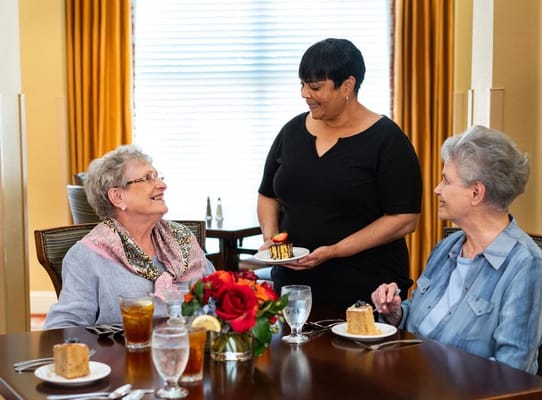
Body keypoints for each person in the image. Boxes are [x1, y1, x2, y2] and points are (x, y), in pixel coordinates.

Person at [257, 38, 422, 309]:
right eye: (302, 84)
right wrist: (271, 241)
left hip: (366, 289)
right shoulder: (291, 132)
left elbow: (404, 219)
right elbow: (267, 196)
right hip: (294, 288)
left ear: (347, 85)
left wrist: (334, 251)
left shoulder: (388, 140)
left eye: (315, 87)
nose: (304, 94)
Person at [371, 125, 542, 374]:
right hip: (409, 379)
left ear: (476, 192)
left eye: (446, 180)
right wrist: (395, 313)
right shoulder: (448, 246)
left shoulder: (526, 267)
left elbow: (512, 374)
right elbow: (418, 317)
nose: (437, 189)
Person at [44, 145, 215, 328]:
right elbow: (63, 327)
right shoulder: (86, 256)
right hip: (125, 354)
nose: (162, 185)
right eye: (148, 178)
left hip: (192, 351)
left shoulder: (182, 239)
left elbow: (218, 295)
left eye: (158, 177)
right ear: (118, 196)